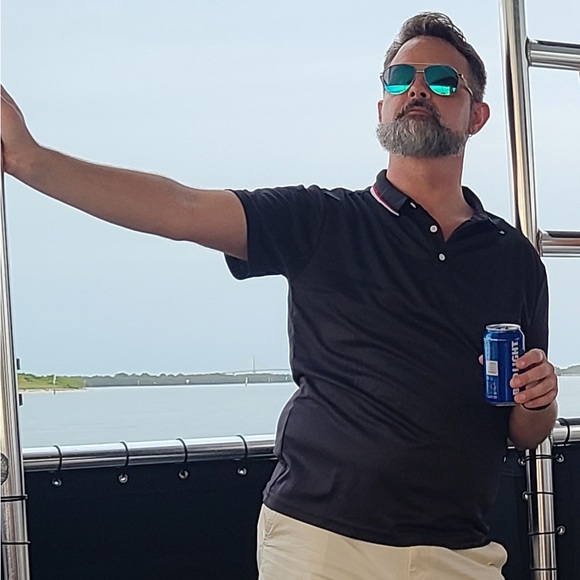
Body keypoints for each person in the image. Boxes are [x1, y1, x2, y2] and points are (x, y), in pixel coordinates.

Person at [1, 11, 558, 580]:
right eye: (400, 78)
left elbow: (523, 428)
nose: (416, 89)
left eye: (441, 80)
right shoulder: (320, 220)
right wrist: (29, 159)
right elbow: (181, 209)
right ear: (381, 107)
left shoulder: (513, 259)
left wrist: (539, 402)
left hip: (458, 553)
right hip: (322, 546)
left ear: (477, 115)